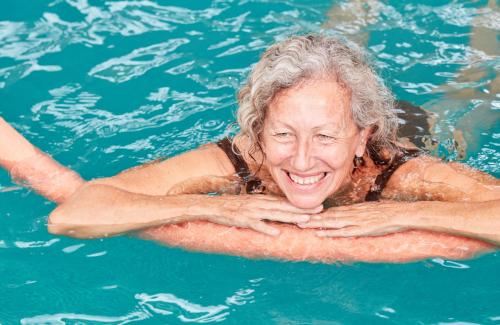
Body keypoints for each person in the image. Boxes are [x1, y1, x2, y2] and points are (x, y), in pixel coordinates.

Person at [2, 35, 499, 262]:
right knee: (346, 30)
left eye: (325, 138)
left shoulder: (402, 173)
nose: (302, 160)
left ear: (361, 137)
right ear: (257, 133)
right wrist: (216, 207)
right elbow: (74, 214)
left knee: (469, 103)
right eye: (283, 135)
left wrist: (407, 217)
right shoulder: (236, 160)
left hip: (421, 130)